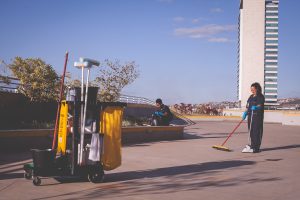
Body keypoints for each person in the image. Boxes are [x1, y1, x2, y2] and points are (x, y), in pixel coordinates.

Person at [242, 82, 265, 153]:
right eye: (251, 89)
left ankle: (256, 147)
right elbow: (247, 106)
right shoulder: (251, 97)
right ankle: (252, 145)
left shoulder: (260, 96)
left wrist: (256, 107)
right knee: (251, 131)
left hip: (257, 117)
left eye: (253, 89)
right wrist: (245, 113)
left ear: (257, 89)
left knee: (256, 131)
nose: (252, 91)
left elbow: (260, 105)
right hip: (250, 116)